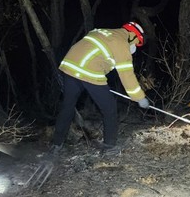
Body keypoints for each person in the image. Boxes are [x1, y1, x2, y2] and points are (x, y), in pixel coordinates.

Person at [50, 22, 151, 156]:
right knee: (109, 108)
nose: (135, 46)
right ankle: (110, 146)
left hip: (69, 66)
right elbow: (126, 74)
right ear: (132, 35)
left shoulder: (104, 31)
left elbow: (94, 51)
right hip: (88, 71)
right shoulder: (121, 43)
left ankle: (56, 145)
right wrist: (139, 97)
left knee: (67, 107)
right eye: (137, 42)